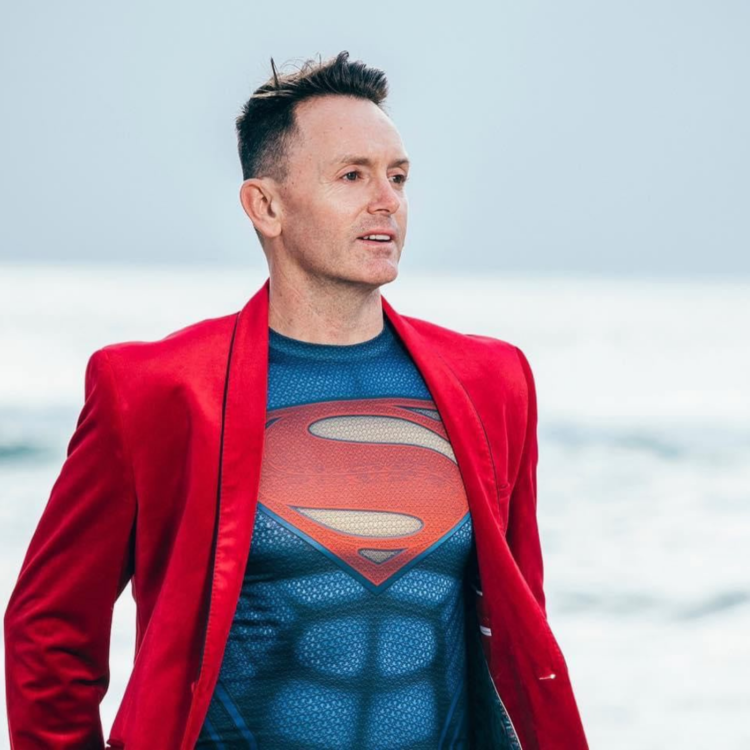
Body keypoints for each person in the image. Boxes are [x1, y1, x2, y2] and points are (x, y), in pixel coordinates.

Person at [4, 51, 589, 749]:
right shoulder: (156, 390)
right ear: (266, 206)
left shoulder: (491, 381)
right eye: (352, 175)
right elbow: (49, 627)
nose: (387, 200)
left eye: (398, 177)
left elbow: (518, 624)